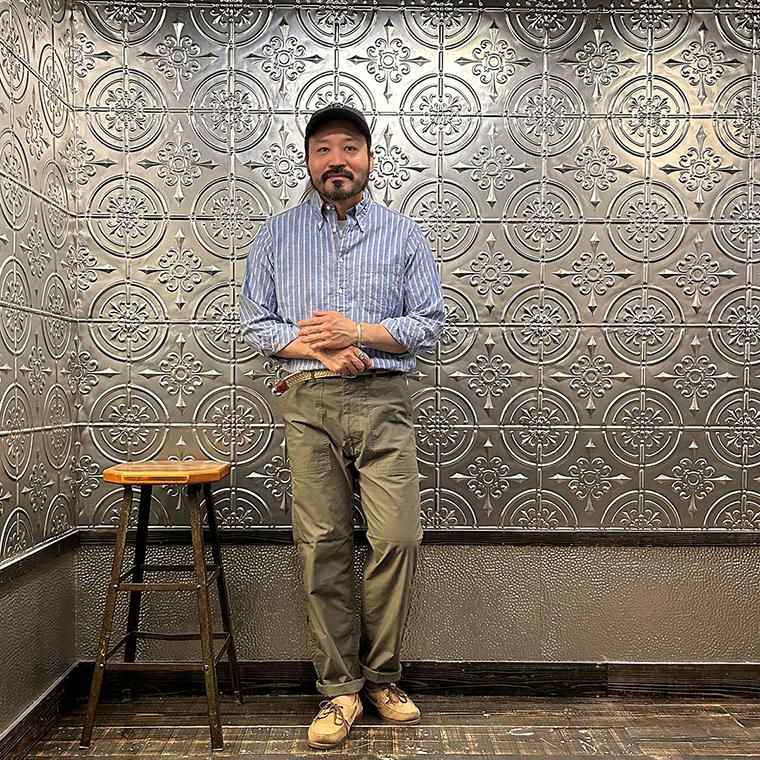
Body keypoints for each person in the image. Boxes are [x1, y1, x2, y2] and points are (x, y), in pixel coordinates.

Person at [240, 103, 444, 750]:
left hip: (385, 399)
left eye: (350, 148)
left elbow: (429, 324)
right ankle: (340, 690)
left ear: (369, 159)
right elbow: (256, 323)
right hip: (309, 400)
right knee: (322, 544)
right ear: (308, 161)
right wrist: (322, 351)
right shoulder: (276, 235)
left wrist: (357, 332)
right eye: (323, 149)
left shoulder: (404, 234)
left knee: (398, 537)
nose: (337, 160)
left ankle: (382, 677)